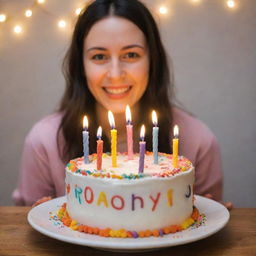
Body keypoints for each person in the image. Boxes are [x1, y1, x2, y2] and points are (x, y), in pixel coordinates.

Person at [13, 0, 228, 208]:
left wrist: (208, 211)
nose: (115, 74)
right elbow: (29, 225)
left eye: (131, 54)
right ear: (81, 66)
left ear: (153, 61)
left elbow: (202, 218)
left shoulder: (198, 140)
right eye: (99, 56)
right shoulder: (44, 141)